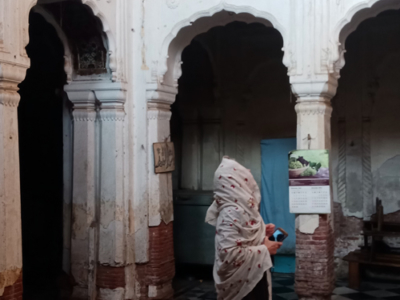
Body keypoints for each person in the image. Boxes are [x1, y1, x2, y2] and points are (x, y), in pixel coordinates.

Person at [205, 157, 282, 300]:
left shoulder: (241, 209)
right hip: (242, 286)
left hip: (253, 274)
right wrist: (265, 249)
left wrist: (260, 232)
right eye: (244, 178)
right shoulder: (231, 212)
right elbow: (229, 255)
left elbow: (240, 237)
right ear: (235, 183)